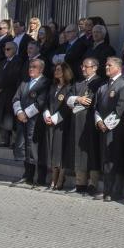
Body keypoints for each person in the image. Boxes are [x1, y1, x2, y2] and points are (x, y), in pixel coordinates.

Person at [93, 56, 124, 201]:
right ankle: (107, 189)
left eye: (109, 65)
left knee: (116, 159)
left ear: (118, 68)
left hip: (116, 130)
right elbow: (96, 106)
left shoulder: (123, 84)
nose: (106, 67)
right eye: (106, 65)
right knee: (106, 159)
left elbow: (120, 107)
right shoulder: (103, 86)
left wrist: (106, 124)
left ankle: (116, 191)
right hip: (103, 128)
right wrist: (99, 121)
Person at [12, 58, 49, 188]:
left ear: (41, 69)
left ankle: (40, 179)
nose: (31, 69)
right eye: (30, 67)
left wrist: (26, 114)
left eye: (34, 67)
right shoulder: (24, 83)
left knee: (36, 149)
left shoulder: (45, 83)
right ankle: (27, 176)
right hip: (23, 122)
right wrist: (19, 113)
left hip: (37, 122)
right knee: (25, 148)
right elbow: (16, 99)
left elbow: (40, 102)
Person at [68, 58, 104, 195]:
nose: (83, 69)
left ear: (94, 68)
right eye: (82, 66)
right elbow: (69, 99)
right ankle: (80, 182)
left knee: (92, 152)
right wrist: (78, 99)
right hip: (78, 122)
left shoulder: (99, 82)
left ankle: (93, 183)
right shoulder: (79, 83)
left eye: (86, 66)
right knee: (79, 152)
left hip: (91, 122)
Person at [44, 61, 74, 191]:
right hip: (50, 123)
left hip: (62, 124)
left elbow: (67, 108)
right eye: (55, 70)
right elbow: (45, 103)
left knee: (60, 152)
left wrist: (55, 119)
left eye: (59, 70)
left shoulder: (70, 88)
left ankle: (60, 179)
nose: (56, 72)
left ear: (65, 72)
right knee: (52, 151)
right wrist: (46, 115)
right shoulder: (52, 87)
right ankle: (53, 177)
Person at [0, 41, 24, 149]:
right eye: (5, 49)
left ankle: (13, 141)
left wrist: (0, 85)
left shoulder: (18, 61)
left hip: (10, 93)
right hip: (1, 95)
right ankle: (2, 140)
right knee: (1, 117)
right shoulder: (2, 62)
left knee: (11, 118)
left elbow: (13, 76)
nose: (6, 51)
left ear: (15, 50)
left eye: (8, 49)